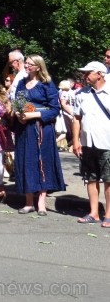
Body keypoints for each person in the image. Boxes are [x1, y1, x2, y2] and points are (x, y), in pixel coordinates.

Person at [11, 54, 65, 216]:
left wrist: (34, 116)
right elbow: (18, 103)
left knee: (42, 161)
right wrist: (20, 116)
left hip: (42, 128)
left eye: (29, 64)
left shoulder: (47, 84)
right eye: (25, 63)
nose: (26, 66)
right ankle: (28, 202)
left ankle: (41, 202)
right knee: (26, 161)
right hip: (24, 129)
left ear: (38, 67)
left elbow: (55, 109)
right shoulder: (21, 83)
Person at [72, 61, 110, 226]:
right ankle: (94, 213)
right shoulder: (81, 94)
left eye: (89, 72)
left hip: (107, 143)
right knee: (91, 179)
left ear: (100, 74)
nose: (85, 75)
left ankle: (108, 214)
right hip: (88, 143)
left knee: (109, 180)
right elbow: (76, 118)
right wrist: (75, 141)